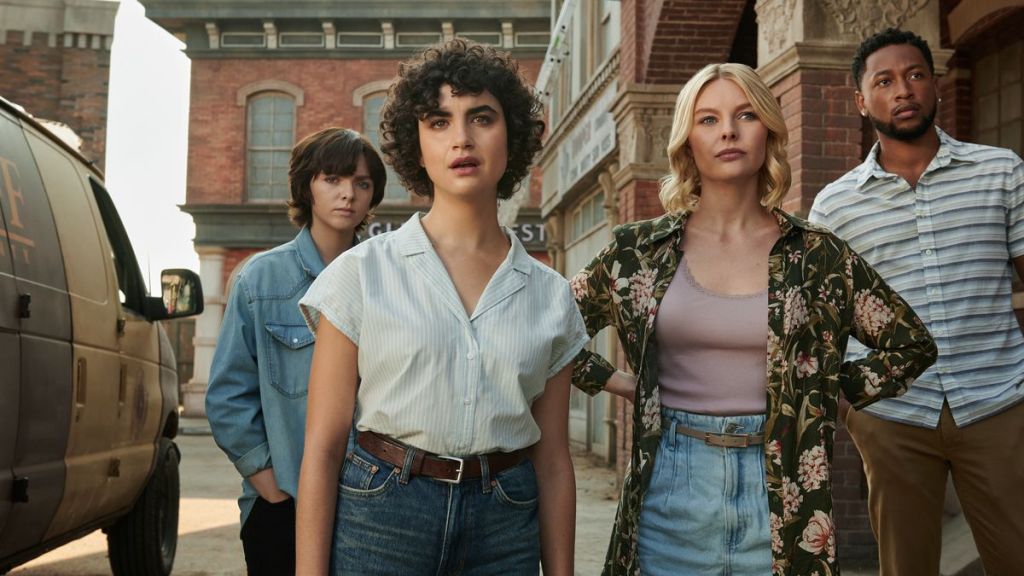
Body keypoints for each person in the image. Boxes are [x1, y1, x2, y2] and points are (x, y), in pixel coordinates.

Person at [571, 62, 937, 576]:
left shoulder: (816, 255)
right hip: (672, 483)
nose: (728, 130)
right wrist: (618, 382)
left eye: (745, 114)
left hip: (787, 492)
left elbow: (911, 344)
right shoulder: (639, 252)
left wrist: (825, 384)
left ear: (768, 129)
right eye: (708, 119)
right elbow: (547, 332)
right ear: (686, 141)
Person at [295, 38, 587, 575]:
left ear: (512, 134)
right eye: (438, 121)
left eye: (481, 117)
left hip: (506, 520)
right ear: (417, 142)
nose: (462, 138)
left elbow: (553, 462)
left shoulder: (550, 296)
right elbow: (322, 448)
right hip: (382, 515)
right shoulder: (361, 274)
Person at [809, 28, 1024, 575]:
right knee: (906, 567)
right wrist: (853, 411)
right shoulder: (834, 207)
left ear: (937, 85)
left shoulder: (1001, 172)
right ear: (862, 101)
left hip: (998, 403)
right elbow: (822, 323)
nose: (902, 90)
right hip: (892, 417)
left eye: (915, 75)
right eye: (884, 81)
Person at [206, 127, 386, 575]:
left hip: (374, 508)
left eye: (361, 184)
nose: (348, 194)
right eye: (333, 180)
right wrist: (272, 487)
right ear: (307, 186)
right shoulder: (261, 280)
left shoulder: (386, 281)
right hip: (283, 506)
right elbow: (228, 396)